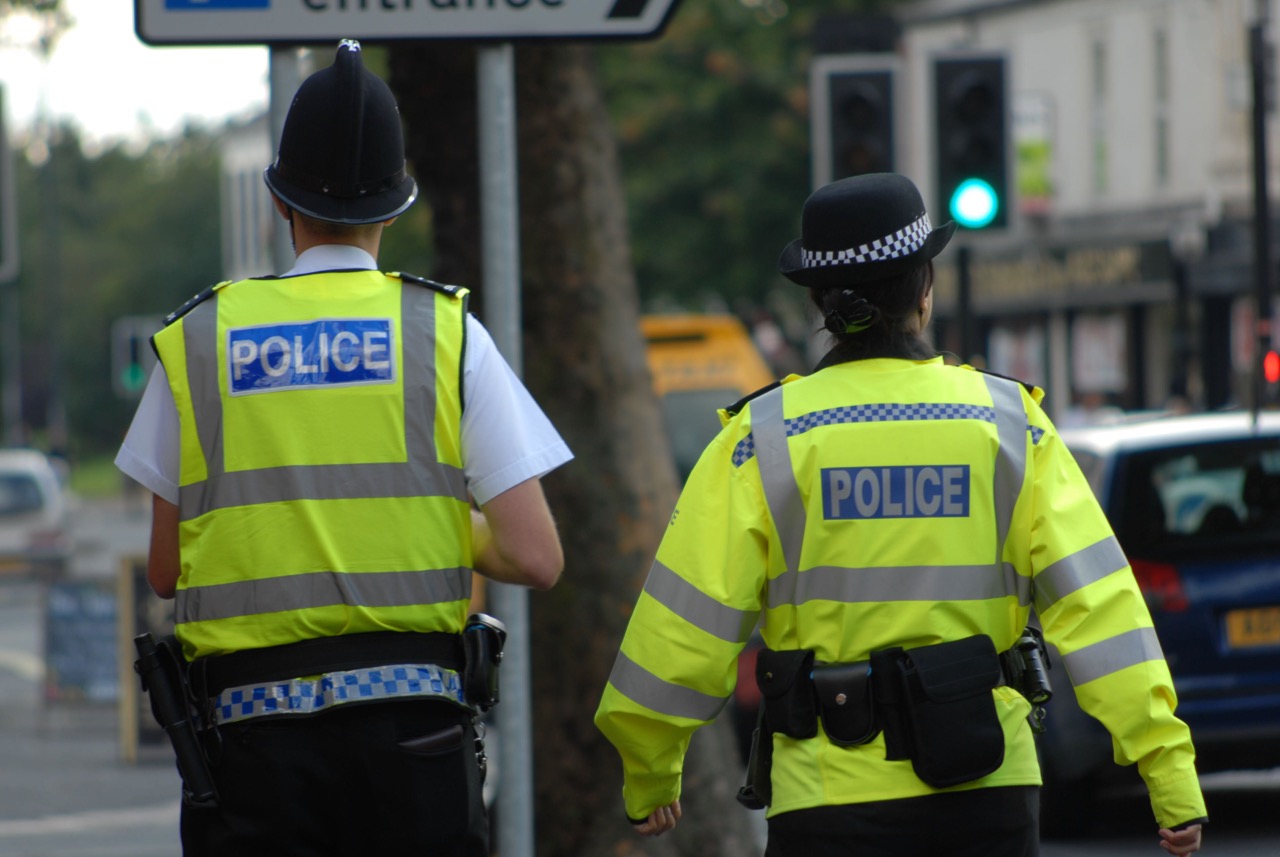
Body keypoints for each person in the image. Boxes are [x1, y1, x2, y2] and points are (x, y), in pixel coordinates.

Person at [594, 173, 1205, 856]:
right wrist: (1168, 771)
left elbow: (682, 626)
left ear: (818, 301)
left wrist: (650, 769)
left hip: (826, 802)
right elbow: (1100, 608)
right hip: (987, 791)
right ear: (925, 287)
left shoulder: (761, 439)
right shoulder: (1010, 425)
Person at [115, 39, 572, 857]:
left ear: (277, 201)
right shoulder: (445, 333)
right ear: (395, 208)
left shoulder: (198, 342)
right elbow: (536, 556)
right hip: (416, 745)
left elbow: (164, 568)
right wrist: (429, 521)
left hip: (251, 750)